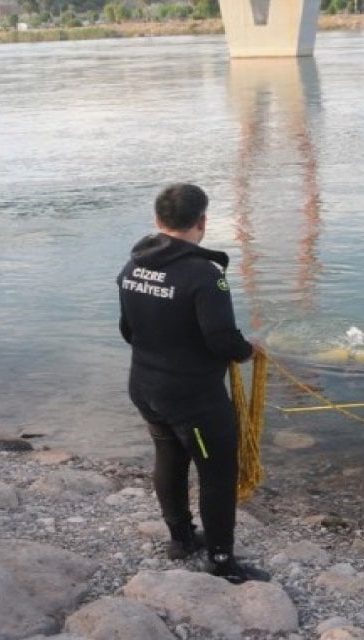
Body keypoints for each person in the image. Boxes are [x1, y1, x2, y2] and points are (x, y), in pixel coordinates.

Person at [118, 183, 269, 584]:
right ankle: (222, 560)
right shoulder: (205, 274)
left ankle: (182, 539)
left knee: (168, 457)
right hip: (194, 400)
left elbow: (128, 330)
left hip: (146, 387)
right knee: (217, 473)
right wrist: (248, 352)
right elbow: (222, 340)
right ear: (202, 222)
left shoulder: (133, 266)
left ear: (157, 220)